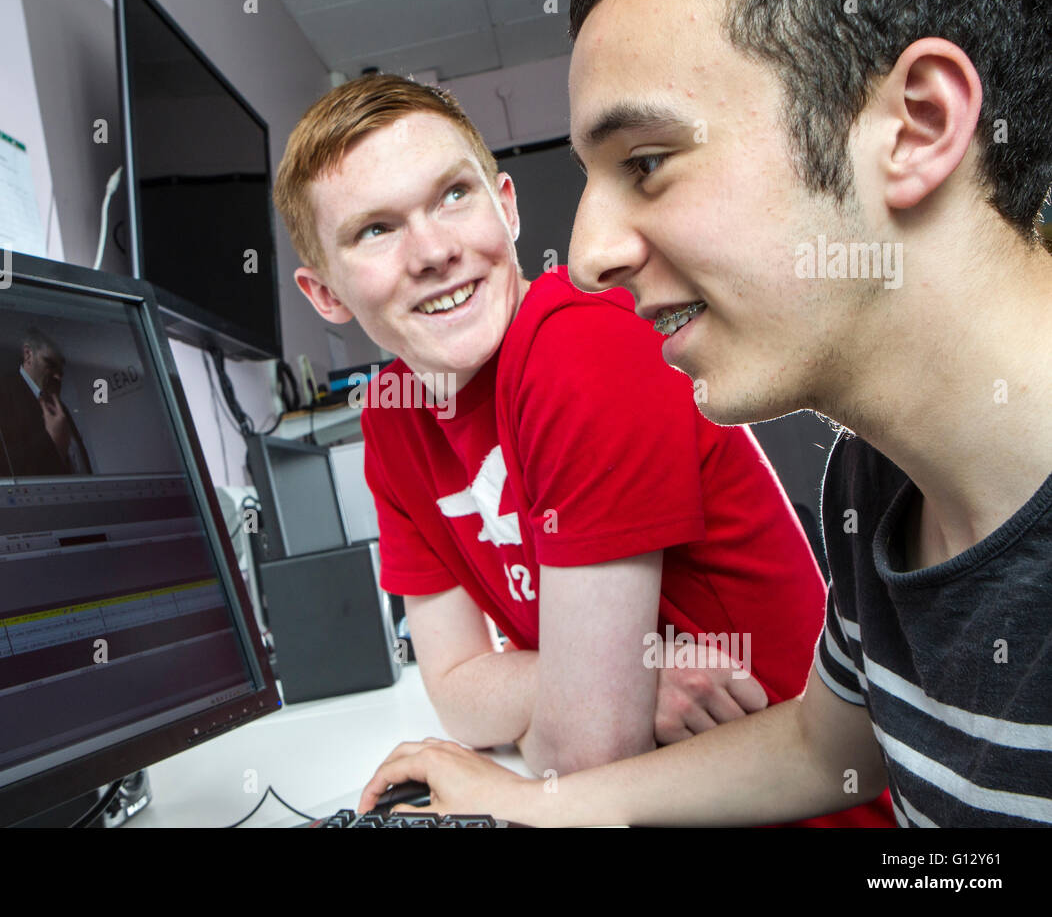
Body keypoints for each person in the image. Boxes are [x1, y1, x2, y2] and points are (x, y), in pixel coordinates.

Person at [359, 0, 1052, 827]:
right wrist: (540, 802)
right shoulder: (876, 482)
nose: (585, 257)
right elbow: (822, 747)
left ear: (915, 127)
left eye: (646, 162)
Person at [275, 74, 892, 825]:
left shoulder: (581, 343)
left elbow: (582, 754)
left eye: (453, 197)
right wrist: (616, 678)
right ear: (325, 295)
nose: (434, 250)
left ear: (505, 208)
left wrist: (581, 699)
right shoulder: (391, 420)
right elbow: (455, 687)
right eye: (376, 229)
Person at [0, 326, 92, 477]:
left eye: (61, 367)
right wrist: (52, 442)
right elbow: (5, 467)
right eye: (50, 364)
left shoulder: (56, 401)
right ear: (28, 354)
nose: (58, 376)